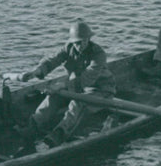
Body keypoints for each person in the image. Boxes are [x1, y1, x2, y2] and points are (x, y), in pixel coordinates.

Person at [15, 20, 116, 155]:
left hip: (101, 91)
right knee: (53, 96)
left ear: (89, 39)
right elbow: (52, 61)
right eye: (78, 42)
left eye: (84, 41)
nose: (81, 45)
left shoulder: (98, 54)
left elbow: (86, 79)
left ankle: (56, 137)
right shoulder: (68, 48)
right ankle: (32, 127)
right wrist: (36, 72)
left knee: (79, 102)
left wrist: (62, 85)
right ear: (72, 41)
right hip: (76, 87)